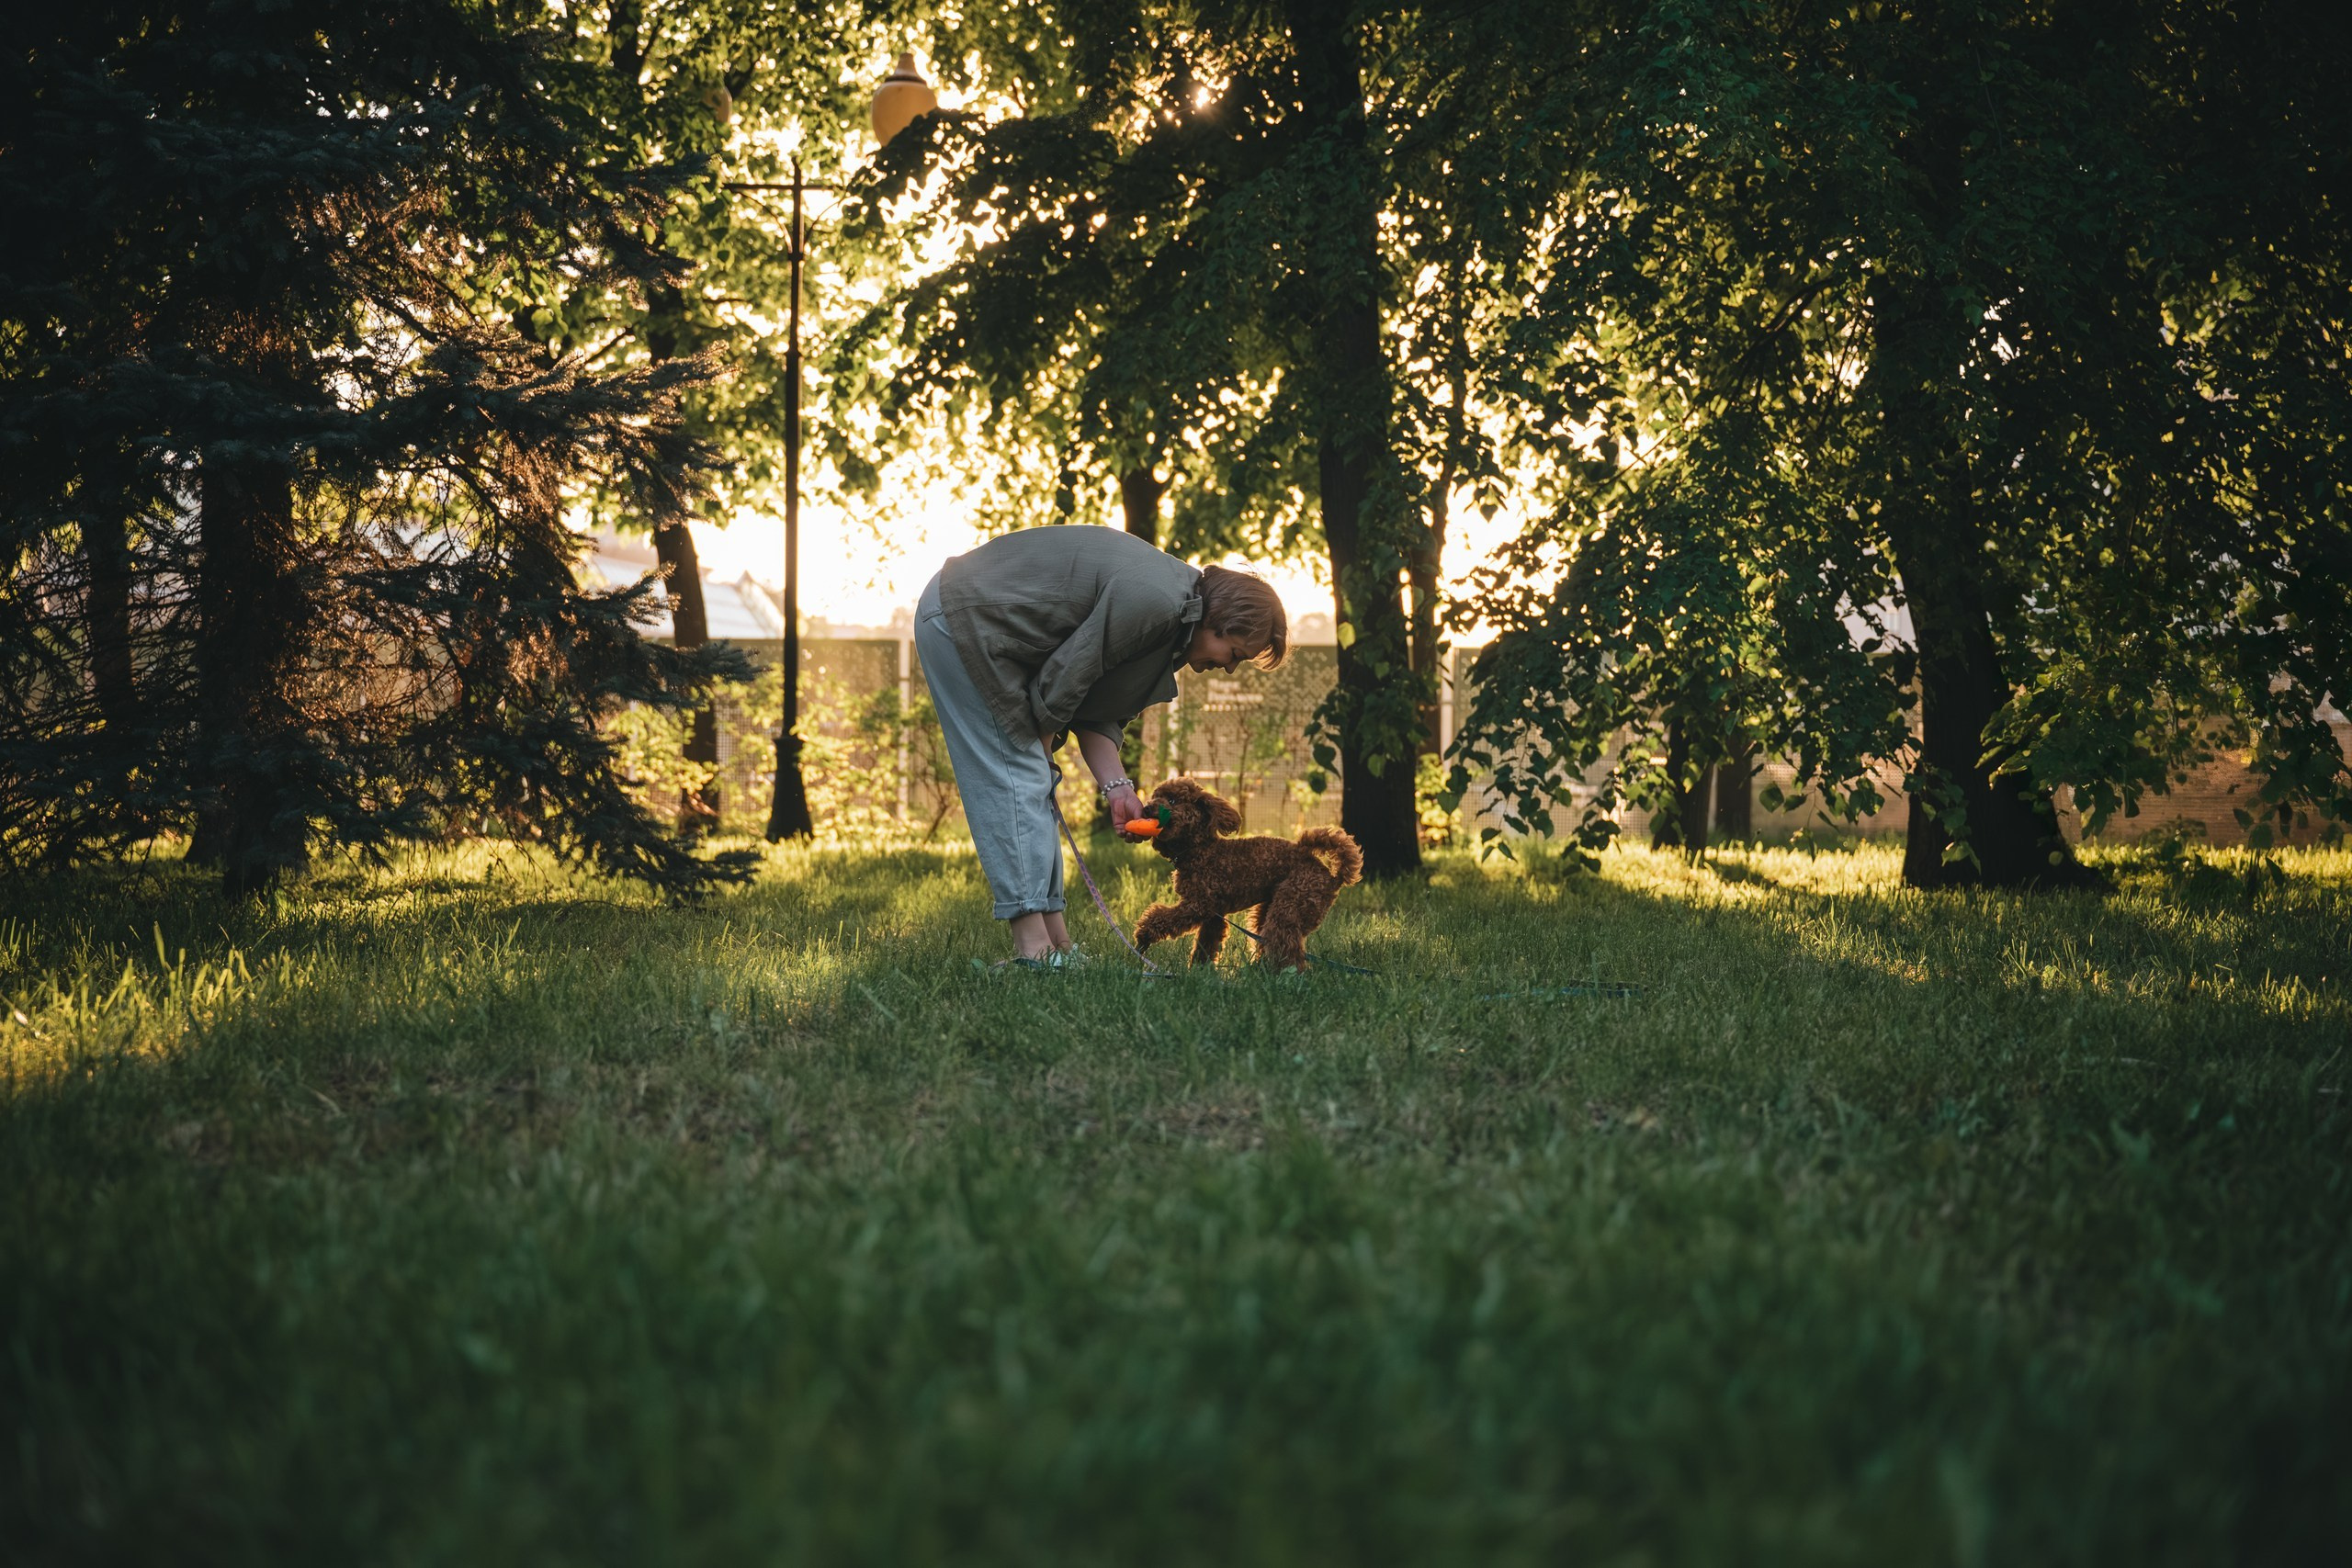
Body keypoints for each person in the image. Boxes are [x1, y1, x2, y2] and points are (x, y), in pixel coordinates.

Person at [914, 525, 1287, 966]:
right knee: (1017, 774)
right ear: (1220, 622)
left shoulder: (1172, 628)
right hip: (963, 619)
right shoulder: (1157, 602)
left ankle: (1059, 947)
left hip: (990, 632)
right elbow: (1070, 673)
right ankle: (1034, 953)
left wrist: (1118, 789)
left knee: (1032, 776)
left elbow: (1098, 711)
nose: (1228, 669)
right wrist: (1036, 746)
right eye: (1237, 655)